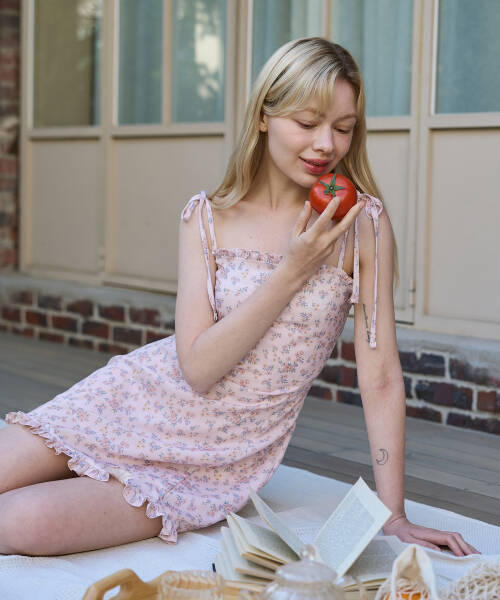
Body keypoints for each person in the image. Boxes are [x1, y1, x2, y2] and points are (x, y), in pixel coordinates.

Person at [0, 37, 479, 558]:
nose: (326, 144)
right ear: (265, 117)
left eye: (343, 128)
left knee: (17, 524)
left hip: (215, 461)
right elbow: (197, 369)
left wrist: (394, 515)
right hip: (129, 401)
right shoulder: (207, 216)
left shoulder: (360, 225)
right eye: (307, 122)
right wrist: (294, 270)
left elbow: (380, 375)